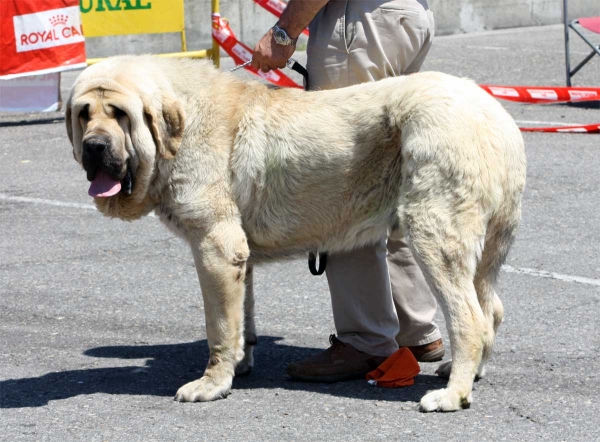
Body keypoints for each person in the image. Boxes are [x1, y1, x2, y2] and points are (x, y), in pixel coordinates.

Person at [252, 0, 444, 382]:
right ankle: (415, 329)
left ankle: (366, 340)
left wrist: (283, 32)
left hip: (359, 26)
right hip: (405, 18)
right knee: (389, 180)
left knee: (347, 188)